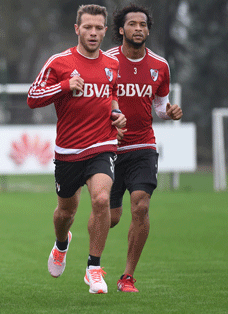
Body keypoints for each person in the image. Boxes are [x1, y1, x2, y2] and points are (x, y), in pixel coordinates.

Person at [27, 4, 126, 294]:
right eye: (87, 27)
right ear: (77, 29)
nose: (93, 33)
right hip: (68, 152)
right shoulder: (59, 62)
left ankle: (94, 268)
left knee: (101, 199)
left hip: (103, 145)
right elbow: (33, 97)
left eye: (98, 28)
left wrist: (117, 115)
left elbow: (112, 96)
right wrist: (64, 86)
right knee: (64, 213)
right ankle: (61, 243)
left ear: (105, 31)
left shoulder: (111, 64)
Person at [105, 4, 183, 292]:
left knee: (141, 205)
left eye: (143, 24)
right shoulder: (106, 61)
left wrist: (169, 112)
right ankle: (93, 263)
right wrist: (111, 120)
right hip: (109, 149)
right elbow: (95, 101)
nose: (138, 28)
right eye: (132, 24)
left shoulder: (160, 66)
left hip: (143, 146)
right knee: (110, 217)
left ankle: (127, 276)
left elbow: (160, 107)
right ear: (121, 29)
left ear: (148, 30)